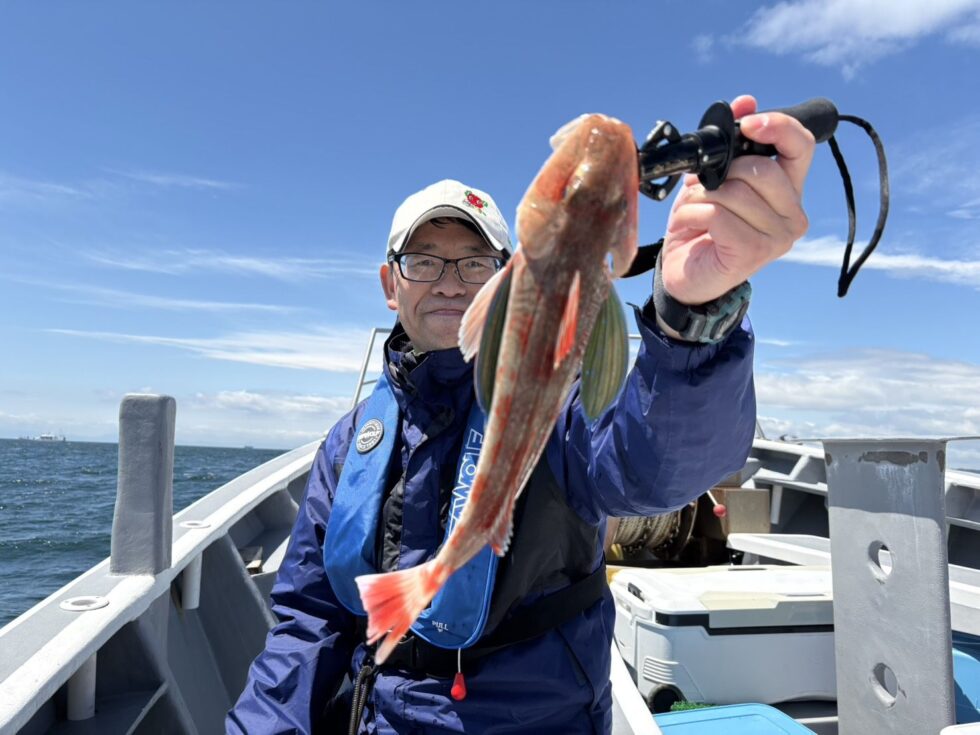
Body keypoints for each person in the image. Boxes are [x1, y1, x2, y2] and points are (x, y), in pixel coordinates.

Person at [228, 95, 814, 734]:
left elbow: (658, 466)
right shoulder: (349, 445)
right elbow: (310, 624)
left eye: (474, 263)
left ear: (507, 276)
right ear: (389, 284)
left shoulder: (565, 408)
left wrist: (693, 316)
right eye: (423, 262)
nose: (450, 283)